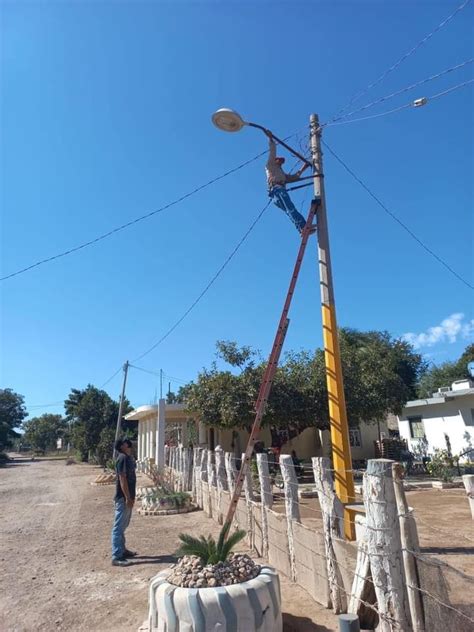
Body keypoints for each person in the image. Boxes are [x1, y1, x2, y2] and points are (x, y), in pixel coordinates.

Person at [265, 130, 310, 233]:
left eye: (282, 161)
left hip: (276, 192)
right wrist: (270, 139)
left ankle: (302, 229)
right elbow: (272, 152)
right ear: (275, 160)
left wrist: (303, 168)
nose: (281, 162)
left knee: (289, 210)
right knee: (290, 208)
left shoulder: (281, 174)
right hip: (277, 190)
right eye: (279, 160)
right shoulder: (270, 165)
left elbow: (294, 177)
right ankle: (303, 227)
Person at [111, 438, 137, 567]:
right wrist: (127, 497)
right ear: (122, 446)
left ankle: (122, 550)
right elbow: (122, 479)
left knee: (123, 525)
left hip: (127, 497)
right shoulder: (122, 458)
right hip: (122, 498)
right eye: (125, 443)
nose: (128, 443)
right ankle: (116, 556)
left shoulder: (126, 457)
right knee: (118, 527)